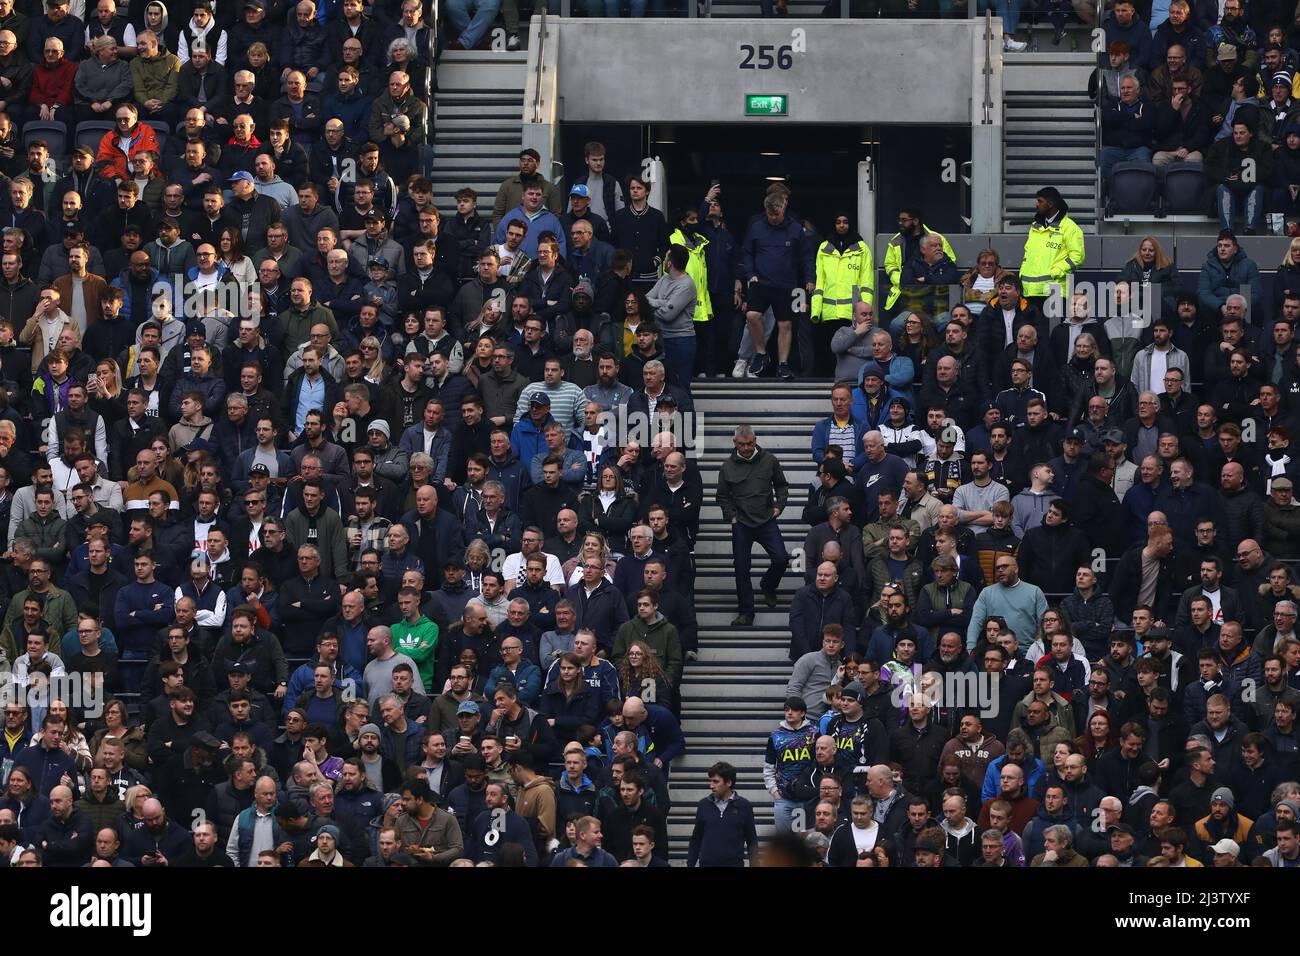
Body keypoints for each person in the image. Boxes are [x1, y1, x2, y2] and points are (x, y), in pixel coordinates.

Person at [717, 424, 789, 627]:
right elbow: (722, 496)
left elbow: (782, 486)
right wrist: (731, 517)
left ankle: (768, 585)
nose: (747, 448)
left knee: (781, 558)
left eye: (750, 443)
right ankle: (746, 612)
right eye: (742, 444)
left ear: (755, 441)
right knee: (741, 568)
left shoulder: (769, 460)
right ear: (735, 443)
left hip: (766, 520)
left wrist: (779, 506)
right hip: (741, 523)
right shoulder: (727, 466)